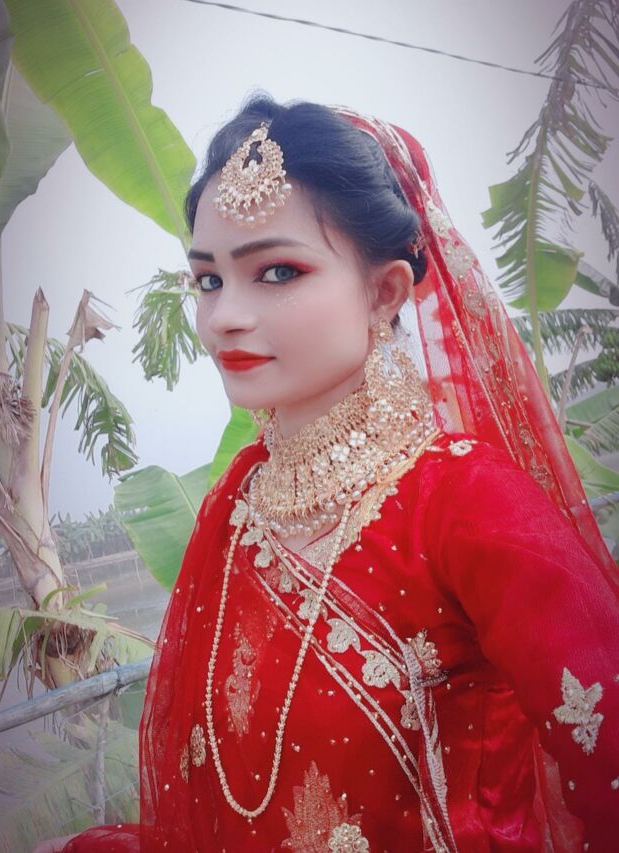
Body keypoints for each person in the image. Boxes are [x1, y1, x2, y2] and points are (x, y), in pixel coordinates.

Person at [39, 97, 618, 852]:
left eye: (277, 271)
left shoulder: (467, 503)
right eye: (208, 279)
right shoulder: (238, 503)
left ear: (384, 292)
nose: (224, 317)